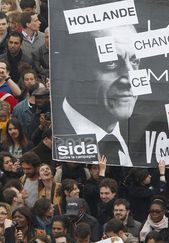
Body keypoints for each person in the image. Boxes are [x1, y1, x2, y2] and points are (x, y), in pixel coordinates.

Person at [53, 6, 141, 166]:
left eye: (135, 61)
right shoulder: (54, 133)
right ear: (76, 68)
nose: (130, 78)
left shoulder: (141, 140)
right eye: (111, 63)